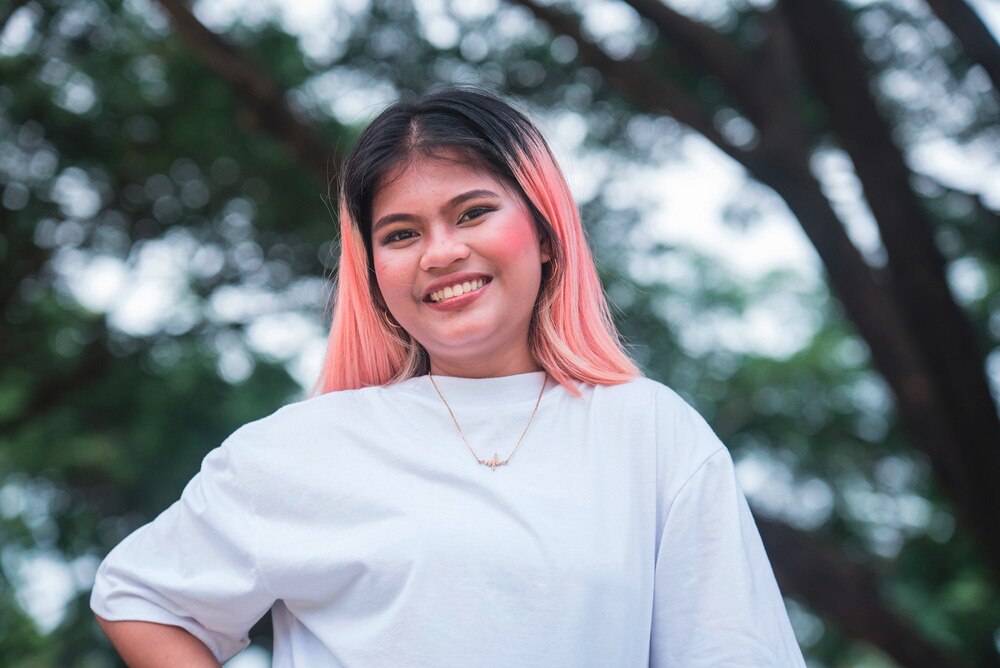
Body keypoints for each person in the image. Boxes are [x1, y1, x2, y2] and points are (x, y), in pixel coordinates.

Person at [90, 86, 806, 667]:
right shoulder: (301, 449)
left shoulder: (650, 432)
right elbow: (140, 598)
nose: (440, 253)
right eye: (401, 234)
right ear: (373, 271)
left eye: (473, 213)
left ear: (546, 233)